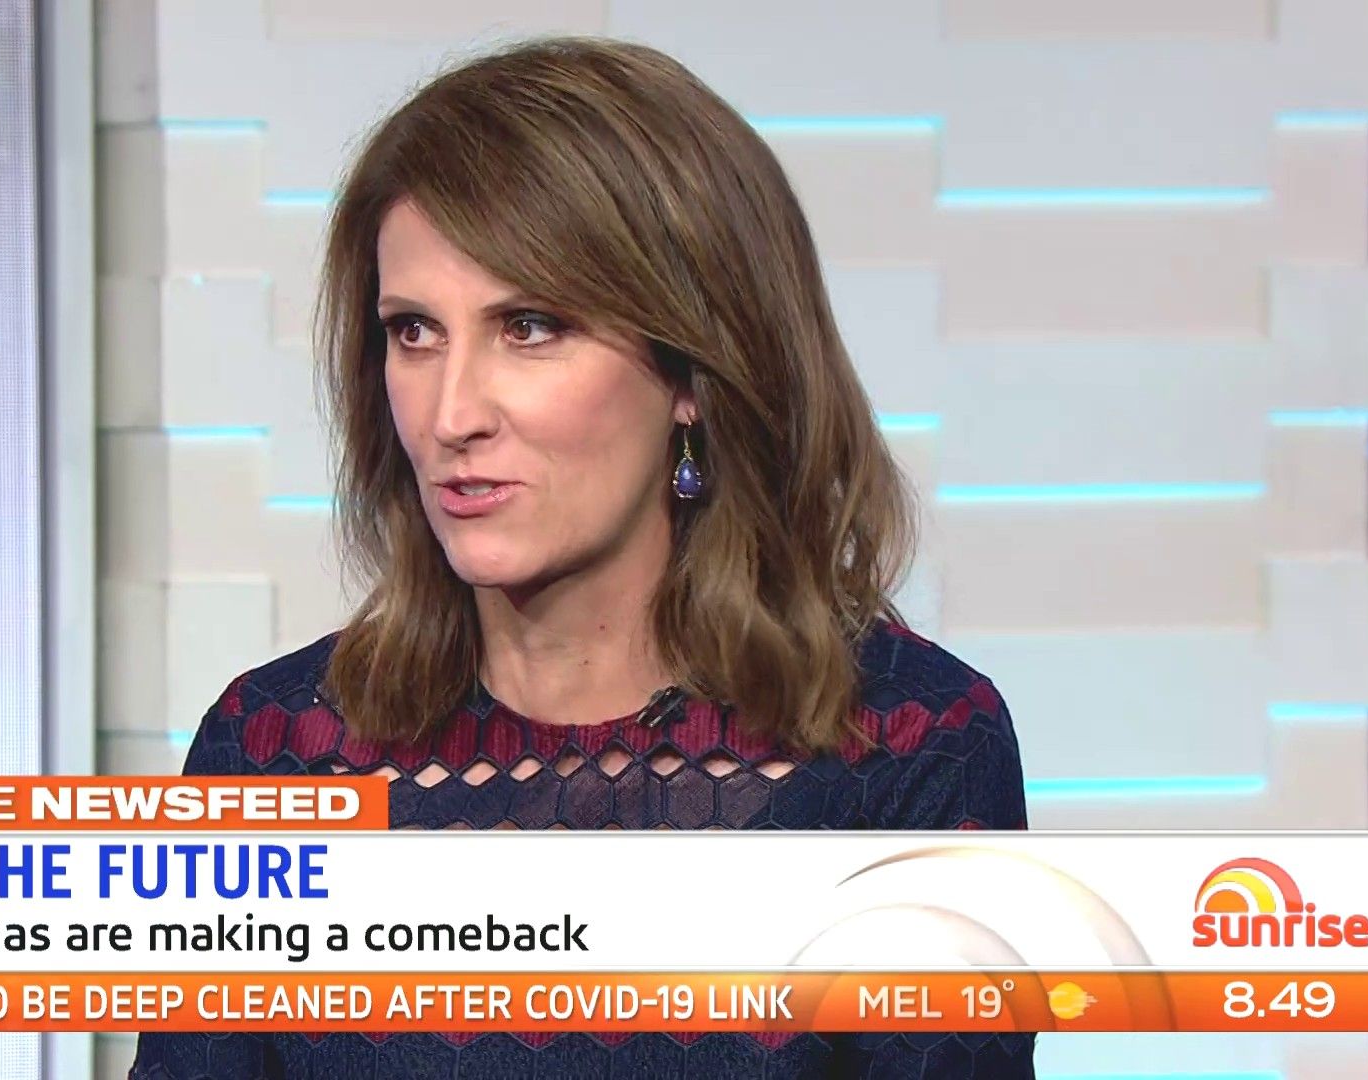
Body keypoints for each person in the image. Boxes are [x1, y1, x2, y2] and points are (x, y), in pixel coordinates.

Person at [130, 35, 1032, 1080]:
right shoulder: (271, 753)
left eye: (529, 326)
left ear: (691, 372)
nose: (452, 414)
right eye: (414, 332)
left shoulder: (912, 750)